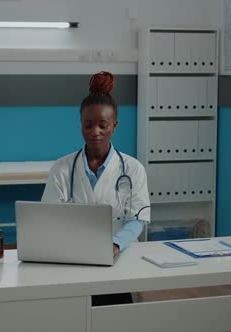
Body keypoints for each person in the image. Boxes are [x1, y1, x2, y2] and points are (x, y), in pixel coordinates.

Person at [41, 71, 151, 305]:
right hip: (72, 256)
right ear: (80, 123)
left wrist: (114, 245)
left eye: (103, 125)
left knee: (115, 315)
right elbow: (50, 218)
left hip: (119, 256)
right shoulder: (62, 168)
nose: (95, 132)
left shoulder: (133, 169)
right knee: (72, 313)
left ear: (114, 125)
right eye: (88, 124)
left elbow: (137, 219)